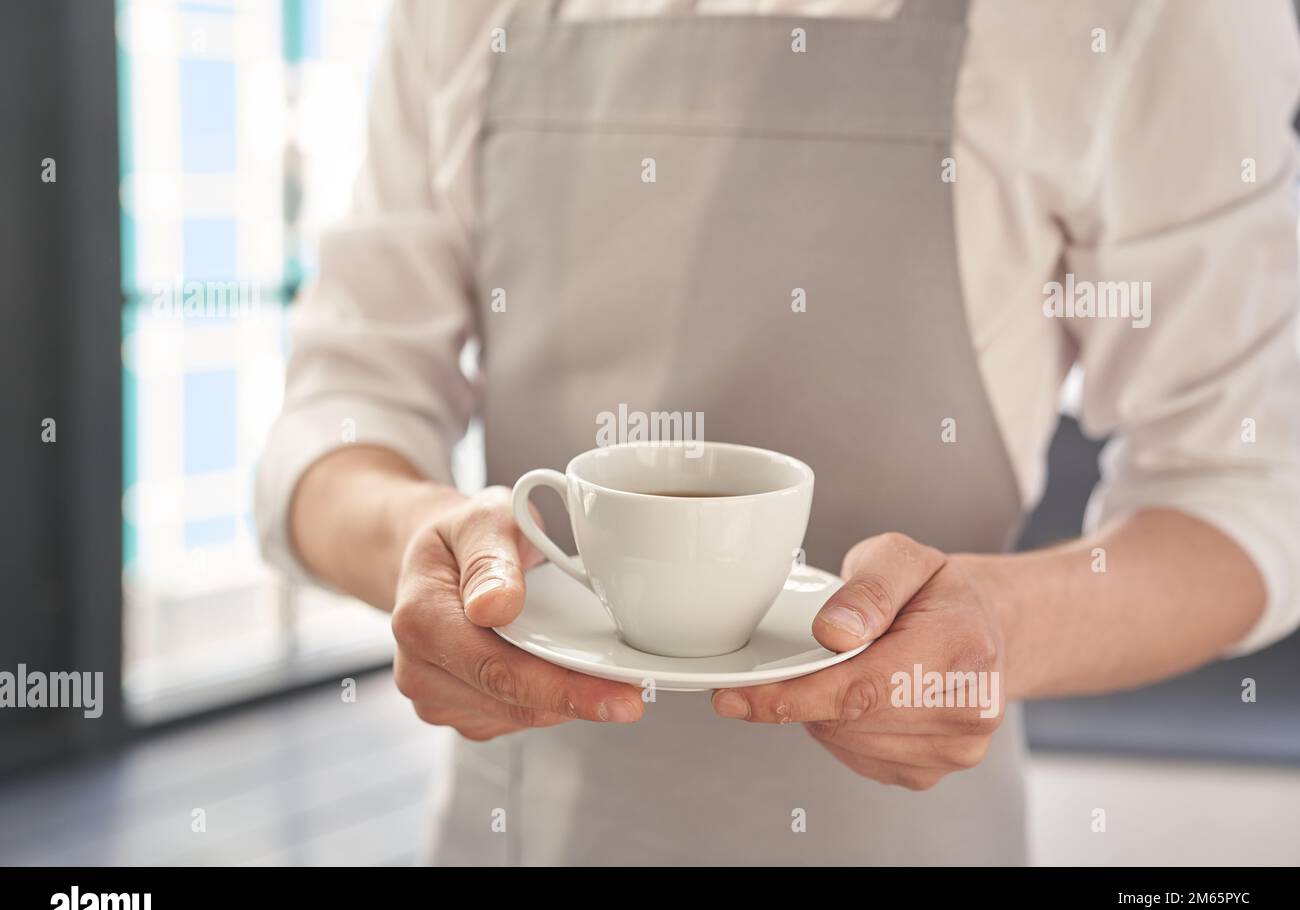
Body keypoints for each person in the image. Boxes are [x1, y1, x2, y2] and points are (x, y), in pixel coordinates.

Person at [255, 0, 1300, 865]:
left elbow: (1248, 486)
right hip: (518, 826)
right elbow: (339, 408)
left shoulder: (1153, 20)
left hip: (909, 834)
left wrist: (1005, 627)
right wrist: (422, 539)